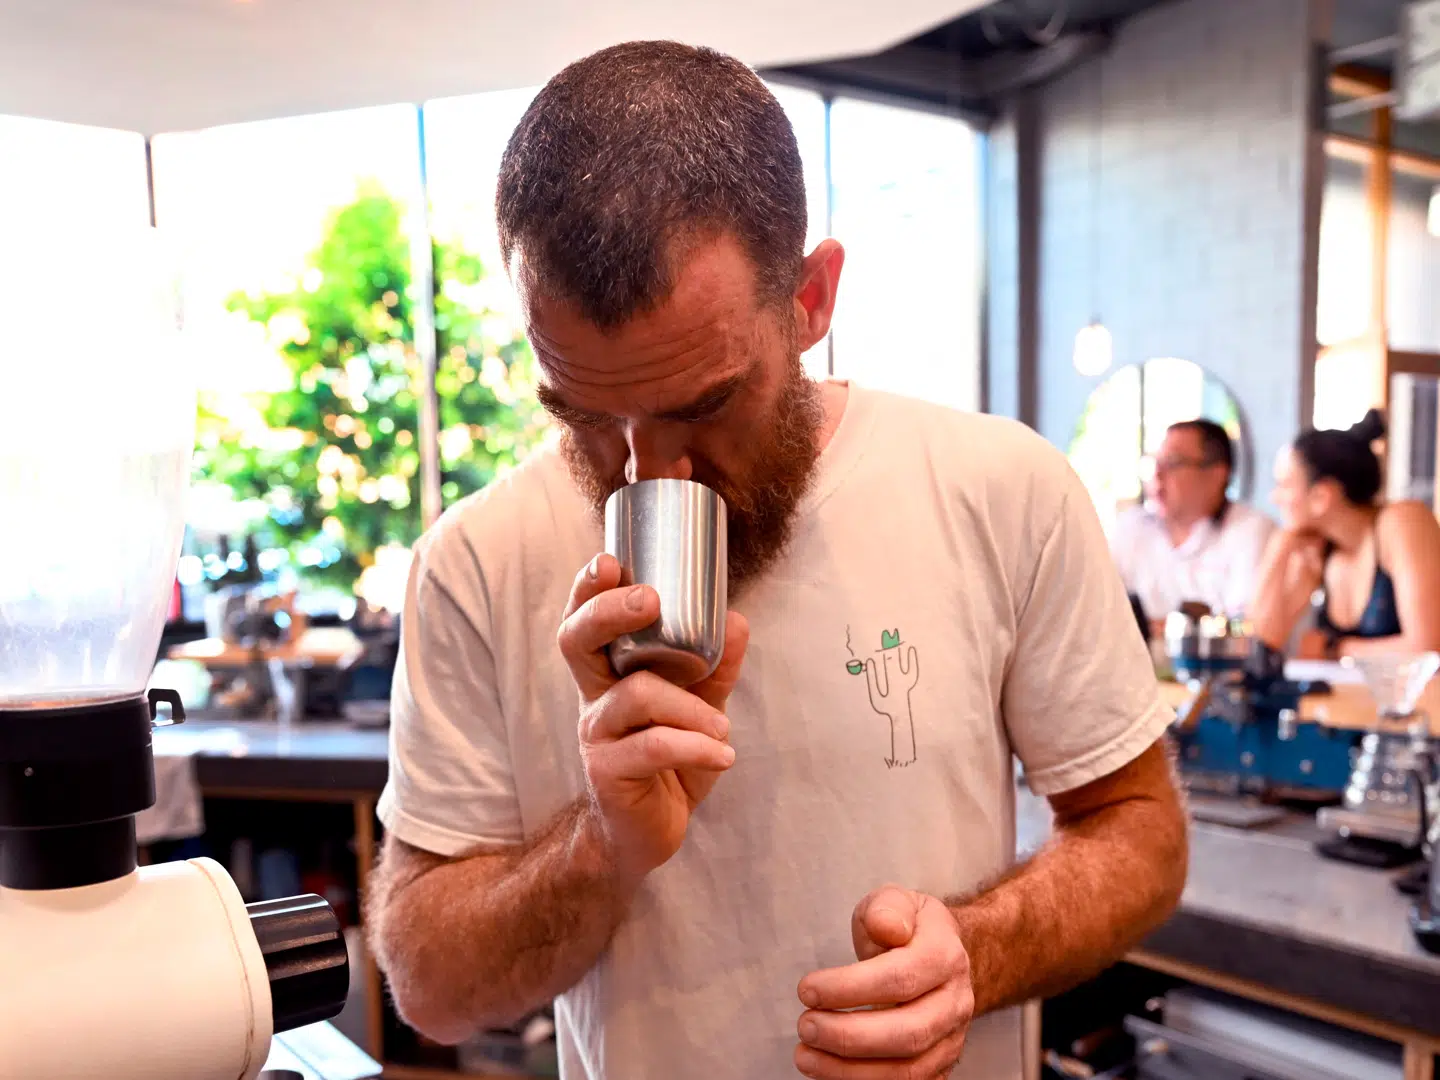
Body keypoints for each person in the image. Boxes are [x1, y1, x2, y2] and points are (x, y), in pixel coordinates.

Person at [366, 41, 1186, 1080]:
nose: (644, 473)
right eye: (584, 413)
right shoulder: (476, 562)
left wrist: (977, 952)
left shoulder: (999, 488)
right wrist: (600, 845)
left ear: (810, 298)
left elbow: (1139, 830)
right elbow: (431, 991)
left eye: (703, 404)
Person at [1250, 409, 1440, 660]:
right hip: (1358, 699)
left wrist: (1336, 648)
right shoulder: (1320, 547)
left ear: (1322, 496)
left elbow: (1428, 650)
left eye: (1284, 485)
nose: (1274, 498)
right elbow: (1263, 641)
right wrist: (1279, 548)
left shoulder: (1401, 522)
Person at [1110, 419, 1275, 628]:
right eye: (1155, 462)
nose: (1157, 475)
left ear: (1217, 474)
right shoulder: (1132, 528)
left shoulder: (1253, 531)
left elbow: (1245, 627)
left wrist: (1147, 629)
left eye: (1172, 463)